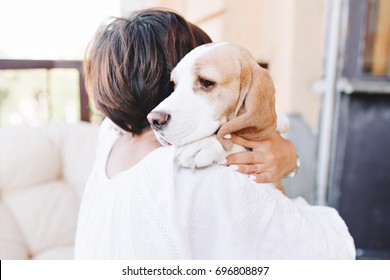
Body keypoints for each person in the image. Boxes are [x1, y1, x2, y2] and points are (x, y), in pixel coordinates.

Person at [74, 8, 355, 259]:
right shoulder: (205, 174)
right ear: (168, 84)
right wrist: (288, 157)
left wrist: (279, 148)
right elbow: (330, 253)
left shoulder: (110, 137)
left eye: (205, 82)